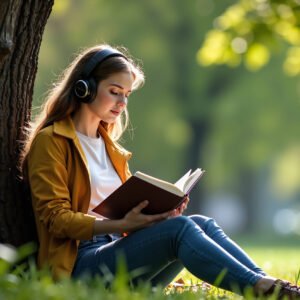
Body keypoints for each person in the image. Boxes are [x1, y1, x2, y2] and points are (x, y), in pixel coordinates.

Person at [21, 44, 300, 299]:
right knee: (179, 230)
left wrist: (159, 213)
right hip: (79, 266)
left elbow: (124, 215)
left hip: (117, 252)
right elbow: (55, 219)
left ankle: (269, 284)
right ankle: (261, 289)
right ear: (86, 88)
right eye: (115, 92)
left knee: (202, 223)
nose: (122, 103)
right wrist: (121, 226)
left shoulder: (110, 148)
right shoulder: (52, 141)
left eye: (127, 95)